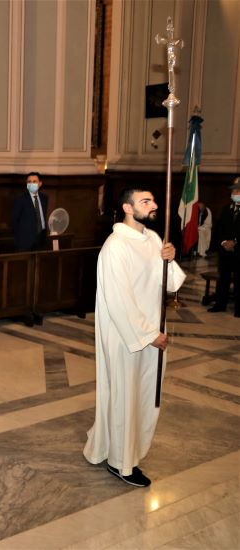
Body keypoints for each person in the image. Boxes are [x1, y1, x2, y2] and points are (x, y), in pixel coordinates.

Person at [83, 188, 186, 487]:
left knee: (143, 397)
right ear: (128, 207)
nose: (153, 205)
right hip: (125, 337)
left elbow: (170, 284)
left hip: (152, 334)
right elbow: (119, 300)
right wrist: (149, 334)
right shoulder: (115, 247)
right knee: (125, 398)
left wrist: (170, 258)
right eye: (146, 202)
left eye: (153, 201)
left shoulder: (153, 239)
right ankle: (120, 463)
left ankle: (128, 450)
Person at [207, 179, 240, 316]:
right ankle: (220, 304)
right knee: (223, 279)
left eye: (237, 190)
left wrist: (235, 242)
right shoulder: (227, 208)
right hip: (225, 251)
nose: (233, 193)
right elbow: (219, 229)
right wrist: (223, 242)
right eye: (233, 190)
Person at [11, 172, 49, 251]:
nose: (31, 184)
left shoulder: (44, 198)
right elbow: (14, 221)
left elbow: (43, 217)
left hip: (41, 240)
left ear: (40, 183)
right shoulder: (20, 199)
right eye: (29, 182)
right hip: (25, 242)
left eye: (34, 181)